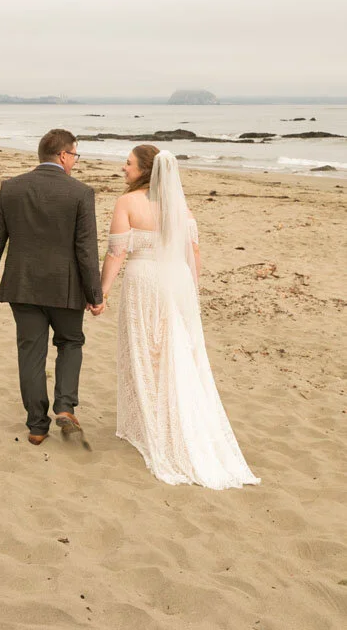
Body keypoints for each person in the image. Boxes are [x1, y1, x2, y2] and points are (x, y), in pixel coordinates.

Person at [100, 145, 259, 489]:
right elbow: (194, 251)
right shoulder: (180, 206)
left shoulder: (127, 203)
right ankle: (168, 416)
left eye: (127, 163)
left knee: (145, 348)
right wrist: (192, 289)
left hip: (144, 281)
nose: (122, 168)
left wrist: (102, 291)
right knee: (176, 348)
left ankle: (150, 423)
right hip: (177, 281)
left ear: (144, 170)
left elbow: (116, 252)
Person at [0, 129, 105, 445]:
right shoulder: (80, 193)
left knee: (31, 353)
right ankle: (65, 405)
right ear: (63, 155)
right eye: (74, 155)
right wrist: (95, 295)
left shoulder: (11, 188)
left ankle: (37, 426)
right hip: (66, 288)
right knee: (71, 341)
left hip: (22, 285)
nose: (74, 161)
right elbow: (86, 250)